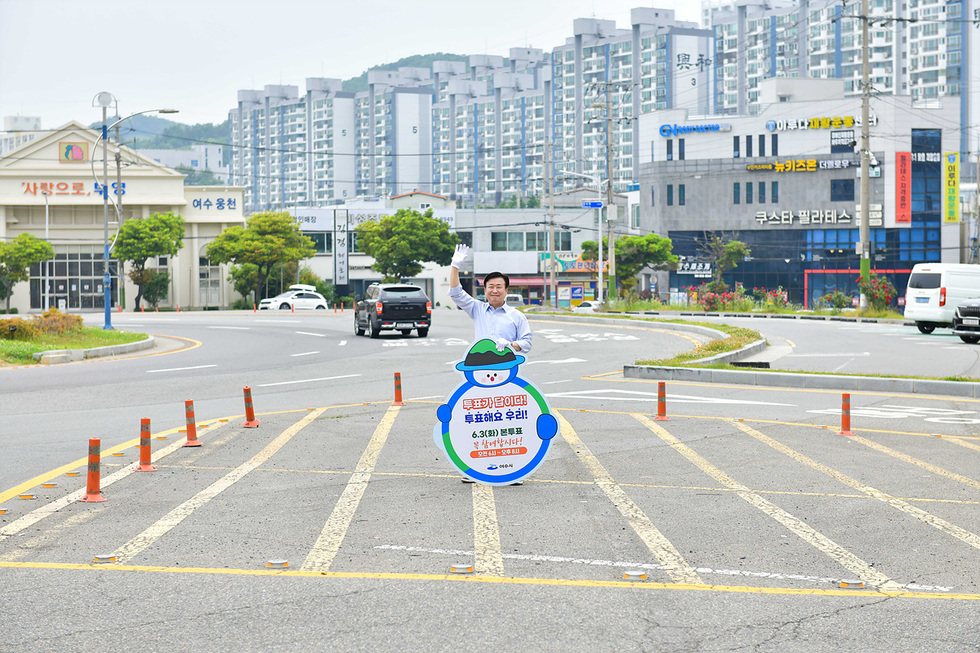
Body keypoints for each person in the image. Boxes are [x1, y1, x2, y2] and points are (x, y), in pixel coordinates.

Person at [448, 244, 532, 354]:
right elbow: (456, 294)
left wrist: (510, 345)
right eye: (491, 287)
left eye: (499, 287)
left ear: (506, 290)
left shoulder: (517, 316)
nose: (495, 291)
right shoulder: (477, 309)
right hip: (481, 362)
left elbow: (527, 343)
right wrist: (455, 266)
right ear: (485, 290)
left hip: (507, 362)